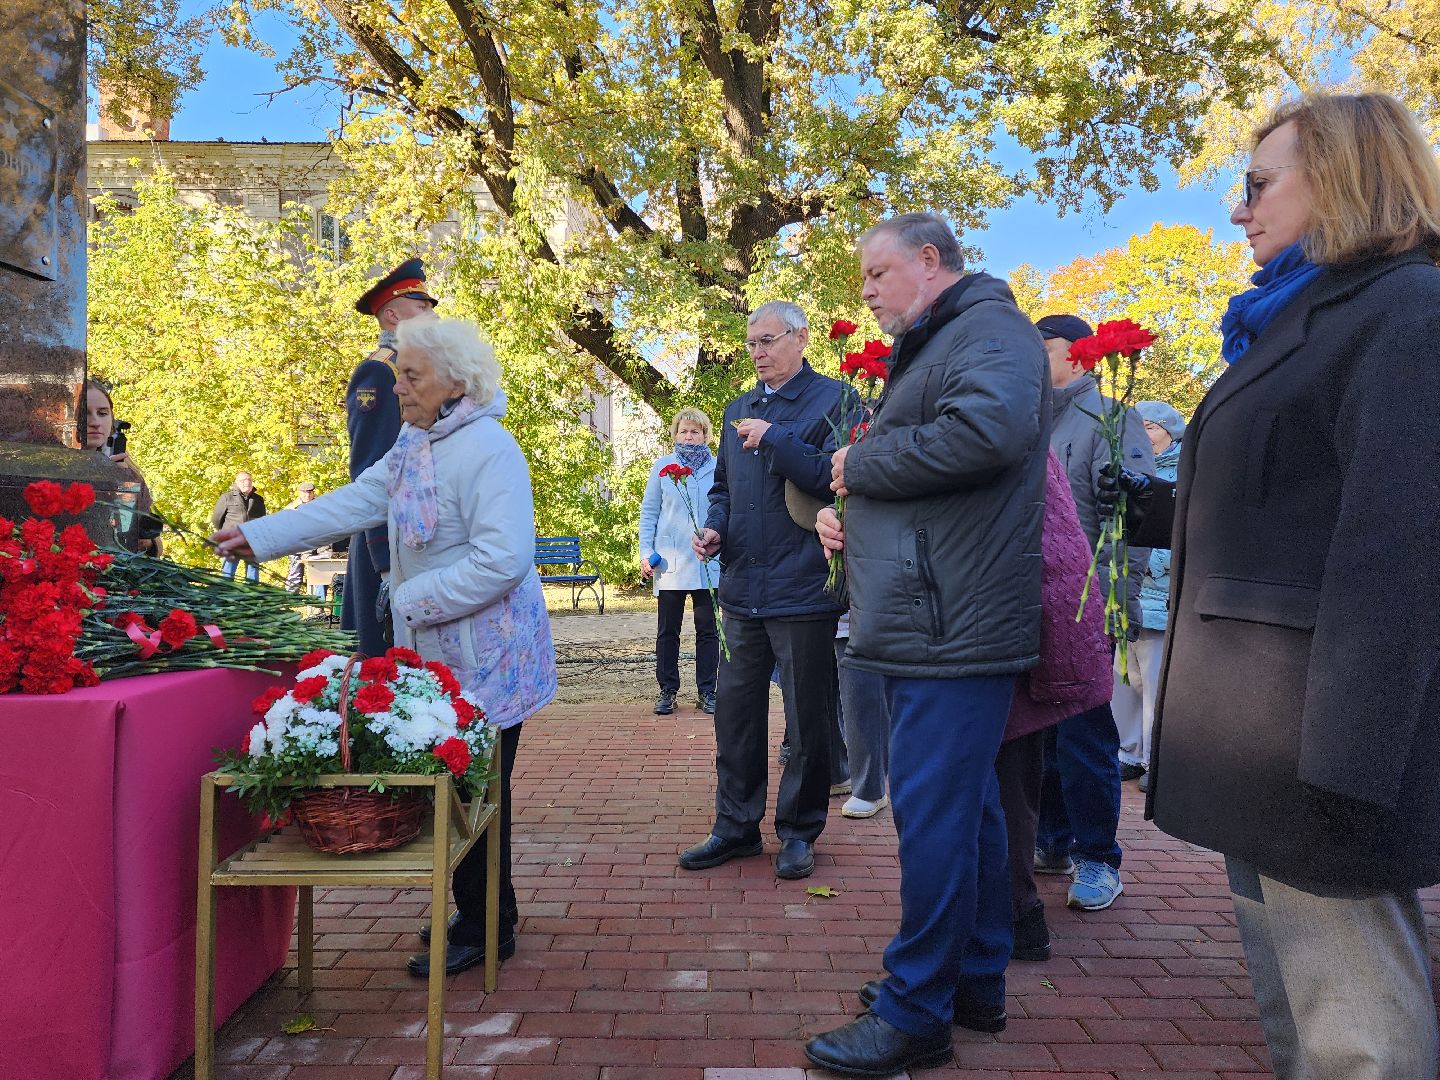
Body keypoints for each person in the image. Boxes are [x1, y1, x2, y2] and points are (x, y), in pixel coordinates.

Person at [1105, 91, 1440, 1080]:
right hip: (1259, 739)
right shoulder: (1301, 317)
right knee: (1302, 1016)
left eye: (1257, 185)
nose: (1239, 210)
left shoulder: (1408, 312)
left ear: (1339, 176)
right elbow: (1268, 509)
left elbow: (1400, 552)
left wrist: (1348, 765)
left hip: (1318, 747)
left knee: (1358, 1034)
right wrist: (1140, 505)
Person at [213, 316, 558, 979]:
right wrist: (258, 537)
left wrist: (408, 598)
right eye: (400, 372)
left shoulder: (490, 448)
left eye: (411, 374)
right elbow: (356, 502)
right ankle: (483, 908)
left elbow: (504, 559)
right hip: (444, 654)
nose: (397, 386)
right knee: (462, 785)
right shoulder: (414, 442)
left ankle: (488, 924)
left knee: (479, 789)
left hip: (491, 658)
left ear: (455, 381)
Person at [806, 212, 1048, 1076]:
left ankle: (918, 1011)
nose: (865, 294)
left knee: (937, 816)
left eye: (877, 275)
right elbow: (938, 471)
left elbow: (987, 435)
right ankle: (972, 982)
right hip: (938, 618)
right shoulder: (949, 339)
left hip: (952, 625)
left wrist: (861, 469)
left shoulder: (989, 330)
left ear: (930, 260)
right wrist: (851, 510)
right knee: (969, 808)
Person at [678, 300, 847, 882]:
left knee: (807, 718)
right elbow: (722, 486)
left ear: (801, 338)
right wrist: (714, 526)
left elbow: (835, 478)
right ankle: (735, 826)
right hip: (741, 585)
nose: (758, 353)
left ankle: (800, 832)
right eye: (752, 343)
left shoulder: (835, 400)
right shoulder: (737, 407)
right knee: (736, 714)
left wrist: (776, 438)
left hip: (802, 588)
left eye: (769, 341)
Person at [1031, 313, 1155, 913]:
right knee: (1043, 734)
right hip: (1034, 601)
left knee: (1085, 736)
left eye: (1043, 347)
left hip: (1087, 604)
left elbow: (1138, 517)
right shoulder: (1029, 419)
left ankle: (1098, 857)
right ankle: (1051, 841)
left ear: (1078, 357)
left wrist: (1118, 607)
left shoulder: (1110, 416)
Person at [996, 449, 1113, 965]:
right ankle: (1025, 892)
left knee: (1071, 756)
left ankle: (1090, 860)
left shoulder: (1008, 410)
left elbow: (1109, 529)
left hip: (1045, 618)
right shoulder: (1009, 402)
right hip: (1018, 617)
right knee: (1019, 775)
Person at [344, 258, 439, 655]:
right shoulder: (380, 374)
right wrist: (383, 558)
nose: (433, 313)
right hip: (388, 541)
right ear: (393, 315)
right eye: (422, 306)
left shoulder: (424, 372)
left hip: (417, 534)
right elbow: (371, 469)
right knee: (382, 664)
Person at [1113, 401, 1184, 792]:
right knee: (1123, 677)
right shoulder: (1126, 467)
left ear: (1171, 432)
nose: (1144, 434)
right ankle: (1127, 752)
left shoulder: (1186, 473)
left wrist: (1154, 565)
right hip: (1123, 588)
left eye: (1152, 427)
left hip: (1159, 592)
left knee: (1155, 680)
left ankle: (1154, 758)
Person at [638, 408, 721, 715]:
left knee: (708, 630)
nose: (689, 436)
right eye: (684, 431)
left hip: (706, 562)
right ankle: (667, 689)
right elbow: (649, 513)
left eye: (695, 431)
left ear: (705, 435)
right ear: (675, 434)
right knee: (668, 630)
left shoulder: (716, 467)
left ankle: (707, 691)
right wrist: (645, 552)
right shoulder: (663, 467)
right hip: (671, 562)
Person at [83, 379, 160, 555]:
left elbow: (151, 541)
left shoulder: (127, 471)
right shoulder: (52, 465)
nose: (95, 422)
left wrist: (124, 489)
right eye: (85, 414)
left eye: (102, 413)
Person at [210, 472, 266, 581]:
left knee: (252, 572)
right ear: (237, 482)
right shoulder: (227, 497)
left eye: (249, 480)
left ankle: (252, 596)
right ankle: (226, 595)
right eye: (243, 480)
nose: (247, 483)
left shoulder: (258, 499)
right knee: (228, 572)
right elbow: (216, 519)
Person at [283, 481, 319, 593]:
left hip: (316, 545)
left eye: (309, 492)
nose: (307, 495)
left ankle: (316, 602)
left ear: (313, 493)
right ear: (299, 493)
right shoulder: (291, 508)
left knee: (317, 574)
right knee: (295, 571)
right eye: (304, 493)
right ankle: (291, 598)